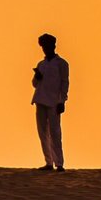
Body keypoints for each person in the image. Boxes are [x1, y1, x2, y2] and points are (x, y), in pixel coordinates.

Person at [31, 33, 69, 171]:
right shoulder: (41, 64)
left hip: (54, 101)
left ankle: (59, 163)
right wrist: (37, 76)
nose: (45, 49)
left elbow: (65, 83)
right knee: (42, 132)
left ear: (53, 46)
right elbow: (35, 84)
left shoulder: (62, 64)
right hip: (40, 99)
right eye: (43, 46)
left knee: (55, 132)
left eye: (46, 46)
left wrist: (62, 100)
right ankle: (49, 162)